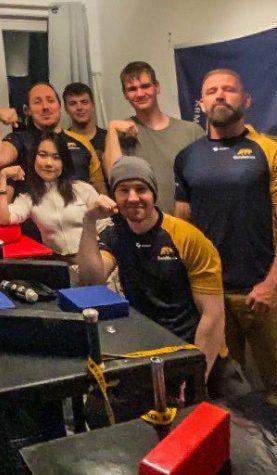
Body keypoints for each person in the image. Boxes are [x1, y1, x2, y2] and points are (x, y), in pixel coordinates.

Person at [174, 69, 277, 408]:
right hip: (210, 299)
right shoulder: (187, 157)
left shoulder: (273, 153)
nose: (220, 96)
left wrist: (273, 285)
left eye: (229, 90)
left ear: (246, 100)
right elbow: (183, 226)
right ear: (201, 103)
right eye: (212, 91)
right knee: (222, 391)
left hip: (260, 293)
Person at [77, 156, 245, 422]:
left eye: (140, 189)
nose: (133, 198)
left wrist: (195, 378)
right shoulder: (114, 235)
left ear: (153, 194)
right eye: (123, 190)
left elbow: (213, 316)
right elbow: (91, 281)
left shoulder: (187, 238)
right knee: (98, 413)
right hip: (147, 351)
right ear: (114, 197)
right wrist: (88, 221)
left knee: (240, 420)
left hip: (196, 350)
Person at [0, 131, 106, 262]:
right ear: (34, 158)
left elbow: (105, 225)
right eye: (42, 155)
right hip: (60, 264)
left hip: (96, 258)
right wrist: (3, 176)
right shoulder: (29, 198)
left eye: (56, 157)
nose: (48, 163)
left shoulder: (82, 189)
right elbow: (3, 218)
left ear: (64, 162)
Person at [108, 61, 204, 213]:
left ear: (157, 87)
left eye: (145, 86)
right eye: (132, 89)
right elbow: (114, 177)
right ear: (125, 94)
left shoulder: (191, 131)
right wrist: (112, 128)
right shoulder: (121, 133)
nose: (140, 94)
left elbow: (206, 182)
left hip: (188, 223)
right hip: (142, 223)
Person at [0, 82, 106, 195]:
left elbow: (99, 187)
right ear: (27, 110)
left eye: (50, 100)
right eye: (37, 102)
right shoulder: (19, 140)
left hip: (80, 210)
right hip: (33, 210)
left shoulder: (82, 142)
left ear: (60, 106)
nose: (45, 107)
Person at [63, 82, 107, 163]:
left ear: (93, 105)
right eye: (73, 103)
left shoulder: (108, 139)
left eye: (84, 102)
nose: (79, 107)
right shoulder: (61, 141)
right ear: (66, 108)